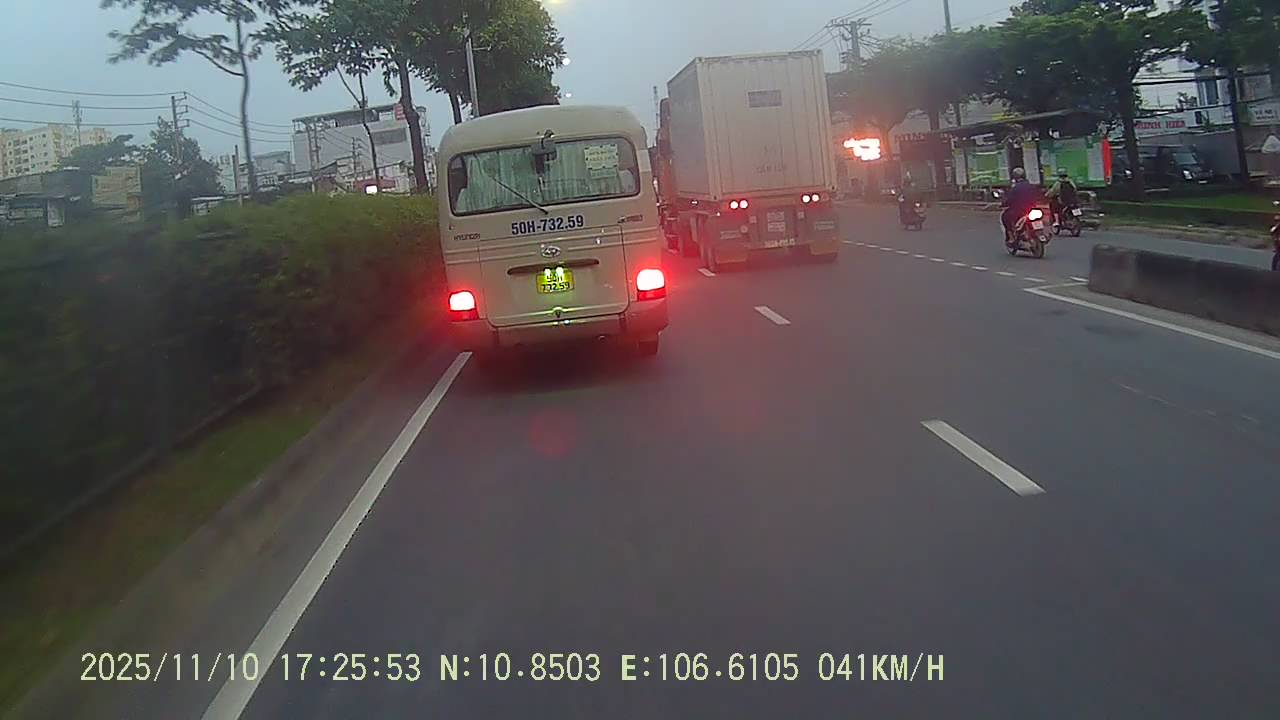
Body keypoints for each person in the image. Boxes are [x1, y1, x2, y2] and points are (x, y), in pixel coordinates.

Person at [1000, 167, 1040, 245]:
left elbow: (1009, 199)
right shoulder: (1031, 186)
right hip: (1033, 209)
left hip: (1018, 211)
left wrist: (1004, 204)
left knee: (1005, 217)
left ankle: (1011, 237)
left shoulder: (1015, 188)